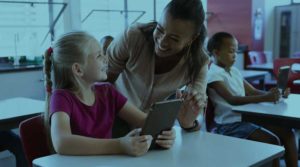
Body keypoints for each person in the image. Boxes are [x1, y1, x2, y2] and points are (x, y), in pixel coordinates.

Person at [43, 31, 175, 156]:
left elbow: (145, 121)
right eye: (99, 55)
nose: (106, 58)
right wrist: (119, 145)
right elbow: (62, 143)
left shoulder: (108, 91)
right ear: (78, 69)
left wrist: (166, 132)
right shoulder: (61, 97)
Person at [107, 0, 209, 135]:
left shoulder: (198, 61)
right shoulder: (133, 36)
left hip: (151, 127)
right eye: (160, 29)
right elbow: (102, 82)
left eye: (174, 38)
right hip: (113, 116)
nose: (162, 42)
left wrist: (189, 122)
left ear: (192, 38)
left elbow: (197, 112)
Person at [206, 32, 298, 167]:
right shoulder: (213, 74)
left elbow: (252, 91)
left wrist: (276, 94)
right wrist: (265, 97)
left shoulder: (234, 71)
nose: (235, 55)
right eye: (231, 51)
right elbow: (232, 100)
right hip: (229, 125)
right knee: (272, 142)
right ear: (216, 52)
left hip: (247, 118)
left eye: (236, 51)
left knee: (288, 134)